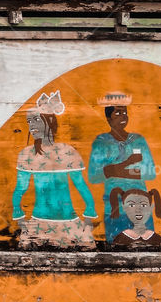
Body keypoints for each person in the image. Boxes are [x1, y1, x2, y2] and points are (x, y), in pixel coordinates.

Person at [12, 91, 98, 249]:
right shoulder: (27, 154)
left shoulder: (67, 151)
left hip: (69, 222)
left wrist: (89, 215)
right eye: (29, 121)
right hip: (38, 223)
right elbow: (20, 189)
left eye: (36, 120)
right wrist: (19, 216)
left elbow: (81, 185)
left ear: (50, 121)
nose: (32, 126)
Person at [88, 92, 156, 242]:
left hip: (141, 207)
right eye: (118, 113)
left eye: (125, 113)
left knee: (146, 248)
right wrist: (128, 165)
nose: (123, 116)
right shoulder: (102, 142)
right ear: (108, 118)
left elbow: (150, 172)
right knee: (117, 250)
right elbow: (94, 176)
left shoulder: (138, 140)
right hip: (115, 208)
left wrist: (113, 170)